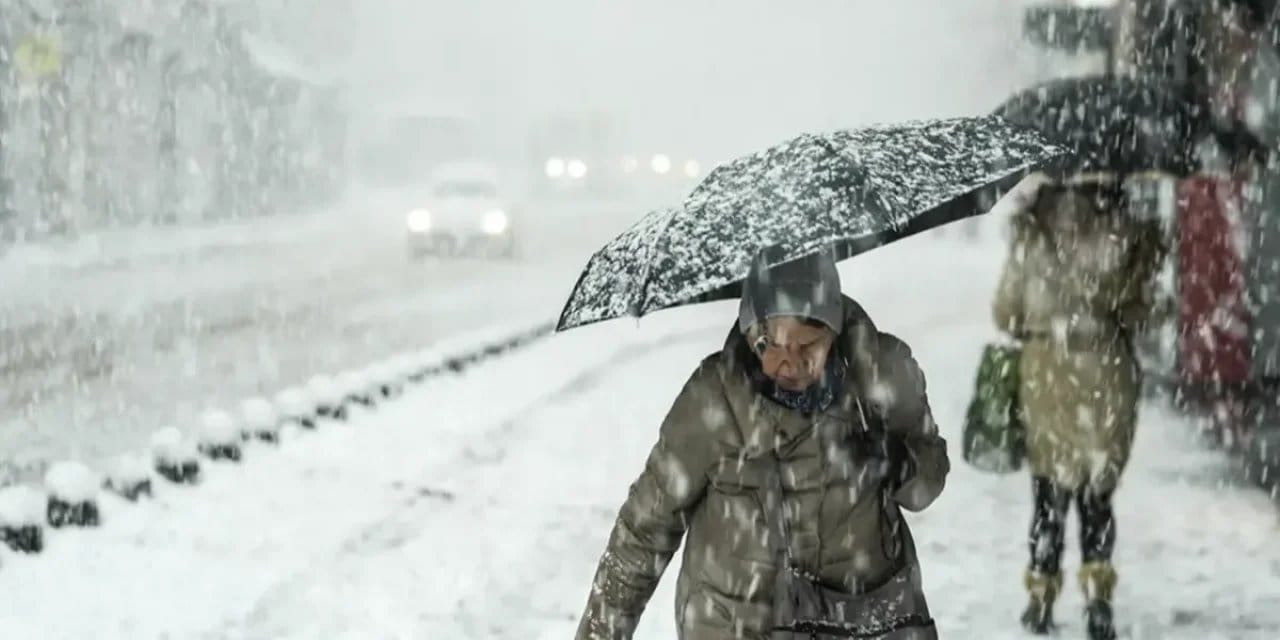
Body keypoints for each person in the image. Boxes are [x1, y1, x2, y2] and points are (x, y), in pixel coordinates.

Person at [576, 250, 950, 640]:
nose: (790, 364)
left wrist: (897, 461)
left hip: (863, 619)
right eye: (771, 345)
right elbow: (644, 532)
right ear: (752, 334)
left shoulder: (881, 373)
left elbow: (928, 484)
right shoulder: (714, 399)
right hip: (740, 626)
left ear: (834, 331)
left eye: (808, 346)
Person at [991, 174, 1166, 640]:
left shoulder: (1032, 231)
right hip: (1106, 375)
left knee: (1048, 494)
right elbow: (1141, 311)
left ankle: (1040, 597)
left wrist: (1041, 319)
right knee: (1097, 495)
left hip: (1047, 377)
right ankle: (1098, 599)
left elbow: (1006, 312)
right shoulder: (1125, 231)